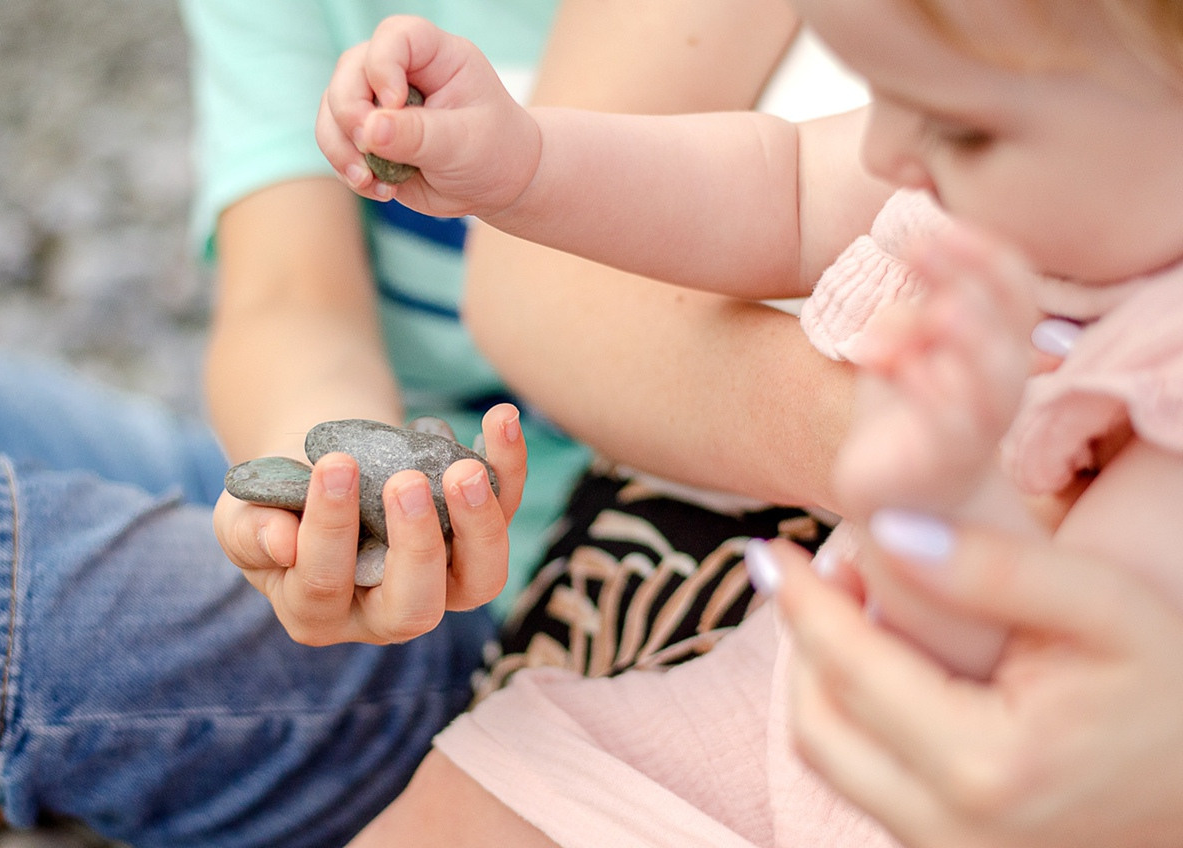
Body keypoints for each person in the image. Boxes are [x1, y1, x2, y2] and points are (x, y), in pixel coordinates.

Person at [0, 1, 811, 845]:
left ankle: (39, 775)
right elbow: (288, 297)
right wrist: (316, 508)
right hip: (359, 548)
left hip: (529, 626)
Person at [317, 0, 1183, 843]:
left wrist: (945, 490)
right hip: (773, 713)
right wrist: (528, 162)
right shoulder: (1016, 156)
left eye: (956, 126)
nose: (883, 149)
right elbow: (780, 184)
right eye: (880, 92)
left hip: (960, 778)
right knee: (480, 789)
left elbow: (1039, 695)